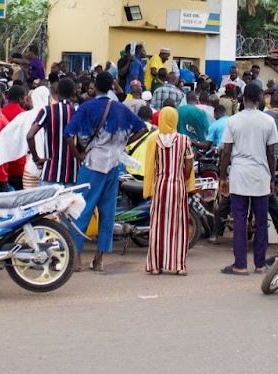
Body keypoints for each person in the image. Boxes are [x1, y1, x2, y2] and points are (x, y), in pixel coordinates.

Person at [65, 69, 142, 272]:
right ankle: (99, 259)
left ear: (95, 87)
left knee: (81, 209)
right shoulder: (121, 108)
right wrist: (123, 145)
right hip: (114, 165)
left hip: (92, 164)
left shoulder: (87, 107)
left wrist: (77, 155)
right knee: (107, 213)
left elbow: (68, 134)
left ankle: (77, 258)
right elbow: (141, 128)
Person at [219, 81, 278, 275]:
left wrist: (222, 177)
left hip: (239, 174)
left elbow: (226, 153)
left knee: (239, 220)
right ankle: (260, 265)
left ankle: (240, 265)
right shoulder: (268, 120)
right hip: (261, 175)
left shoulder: (233, 121)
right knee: (261, 221)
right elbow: (272, 154)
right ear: (260, 98)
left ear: (243, 98)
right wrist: (272, 177)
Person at [142, 105, 193, 275]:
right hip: (177, 185)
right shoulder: (185, 140)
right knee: (178, 225)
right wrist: (182, 178)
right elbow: (188, 167)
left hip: (160, 185)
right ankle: (179, 265)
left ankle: (156, 265)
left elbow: (151, 167)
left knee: (157, 225)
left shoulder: (154, 140)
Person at [30, 76, 79, 185]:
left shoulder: (47, 111)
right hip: (72, 174)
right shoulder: (77, 112)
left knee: (48, 202)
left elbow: (29, 136)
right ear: (73, 92)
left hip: (50, 172)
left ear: (56, 91)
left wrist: (36, 158)